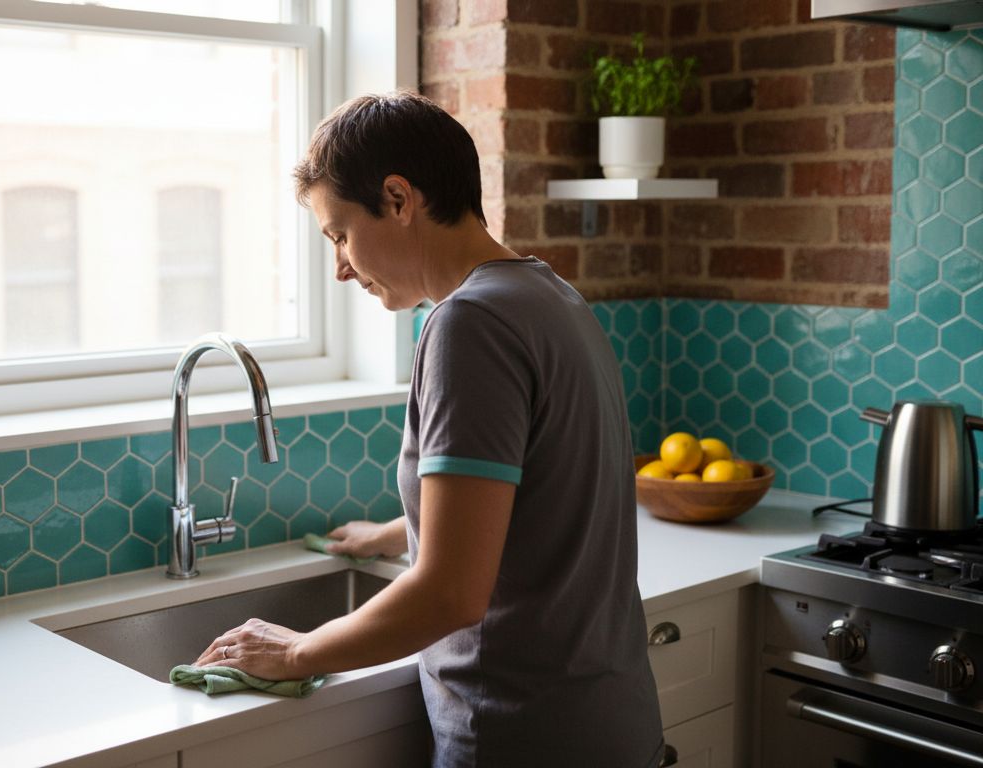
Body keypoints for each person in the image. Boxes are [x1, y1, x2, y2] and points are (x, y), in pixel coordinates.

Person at [194, 91, 664, 767]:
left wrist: (296, 651)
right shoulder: (550, 296)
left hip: (520, 737)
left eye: (339, 233)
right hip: (609, 721)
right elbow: (538, 491)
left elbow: (449, 593)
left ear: (397, 197)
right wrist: (396, 532)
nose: (340, 266)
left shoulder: (467, 325)